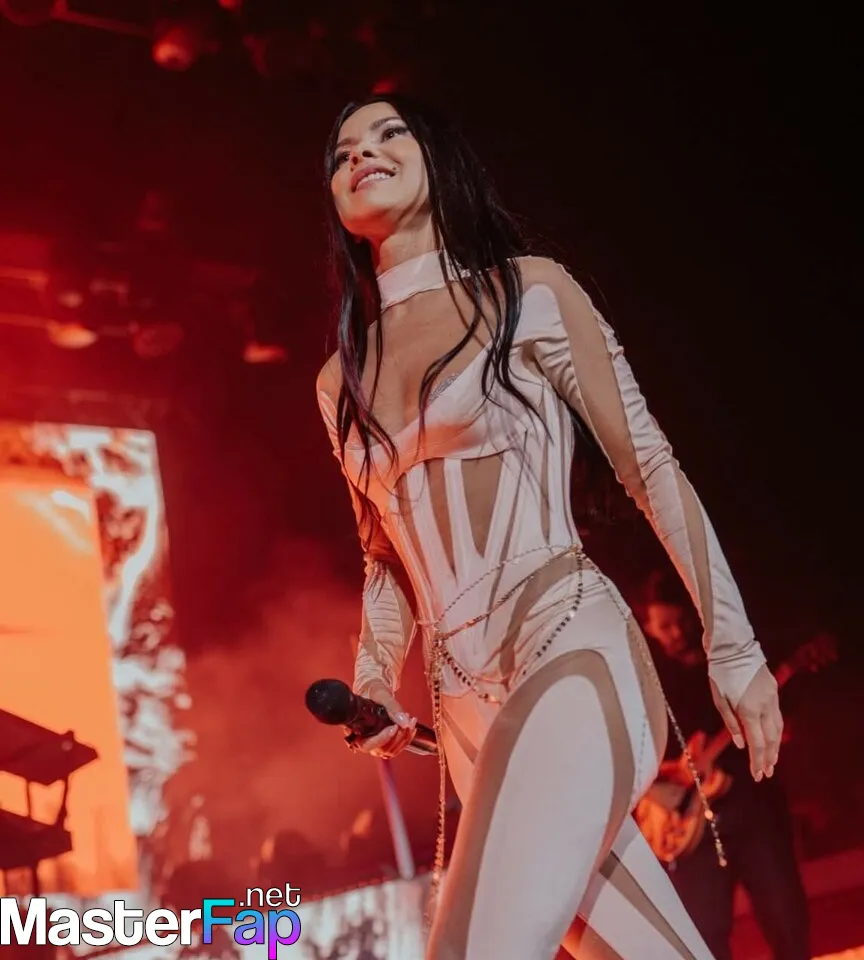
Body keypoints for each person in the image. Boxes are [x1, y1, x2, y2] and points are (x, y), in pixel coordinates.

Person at [314, 93, 782, 960]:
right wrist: (374, 680)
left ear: (438, 161)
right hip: (467, 717)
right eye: (342, 153)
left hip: (569, 654)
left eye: (387, 135)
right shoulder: (338, 382)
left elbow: (650, 467)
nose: (359, 156)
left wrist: (735, 646)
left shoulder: (526, 292)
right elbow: (384, 560)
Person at [638, 574, 810, 960]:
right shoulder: (646, 682)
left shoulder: (731, 664)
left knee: (787, 919)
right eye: (665, 626)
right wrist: (673, 769)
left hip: (753, 812)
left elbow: (779, 725)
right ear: (647, 627)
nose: (677, 633)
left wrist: (774, 732)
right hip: (689, 827)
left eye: (681, 621)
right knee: (703, 938)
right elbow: (629, 754)